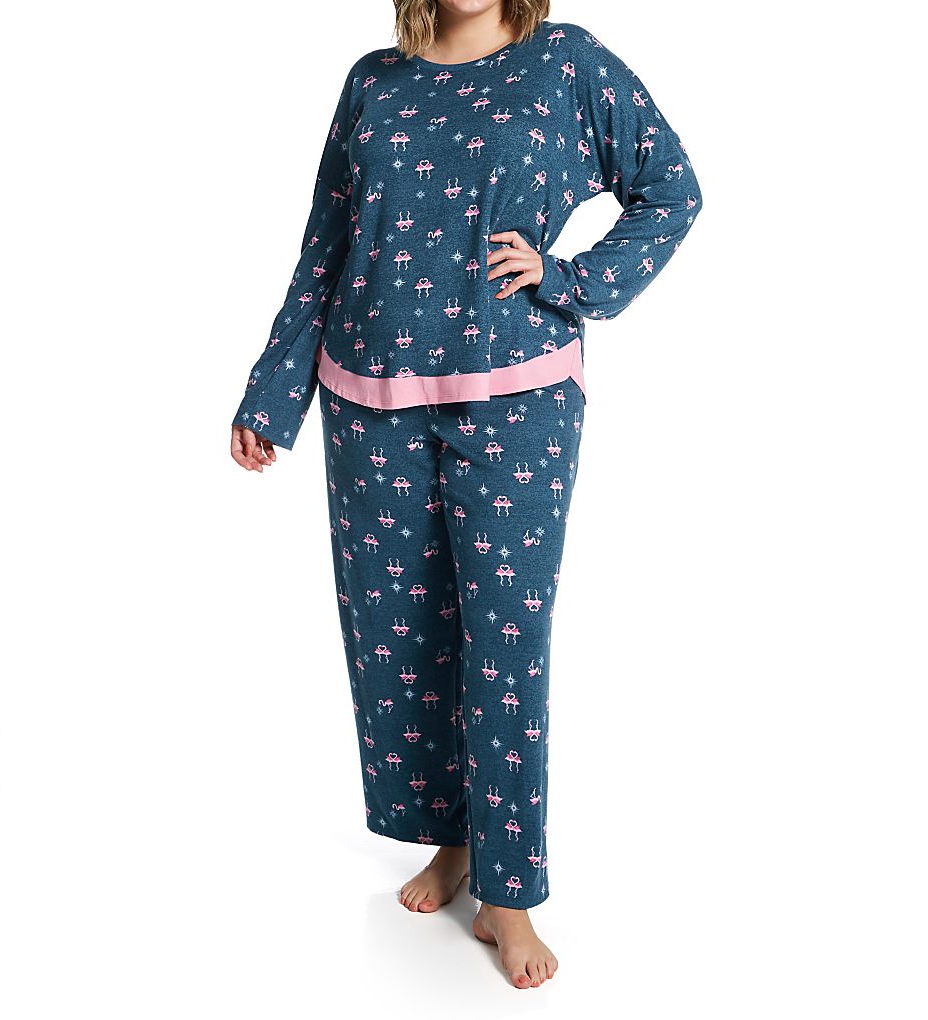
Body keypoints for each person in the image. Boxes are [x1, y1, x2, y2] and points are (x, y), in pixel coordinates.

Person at [230, 0, 702, 990]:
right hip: (368, 396)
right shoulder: (374, 80)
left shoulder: (563, 62)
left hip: (515, 395)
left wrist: (569, 279)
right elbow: (326, 244)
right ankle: (451, 838)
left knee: (502, 641)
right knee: (401, 635)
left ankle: (508, 891)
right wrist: (274, 392)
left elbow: (670, 188)